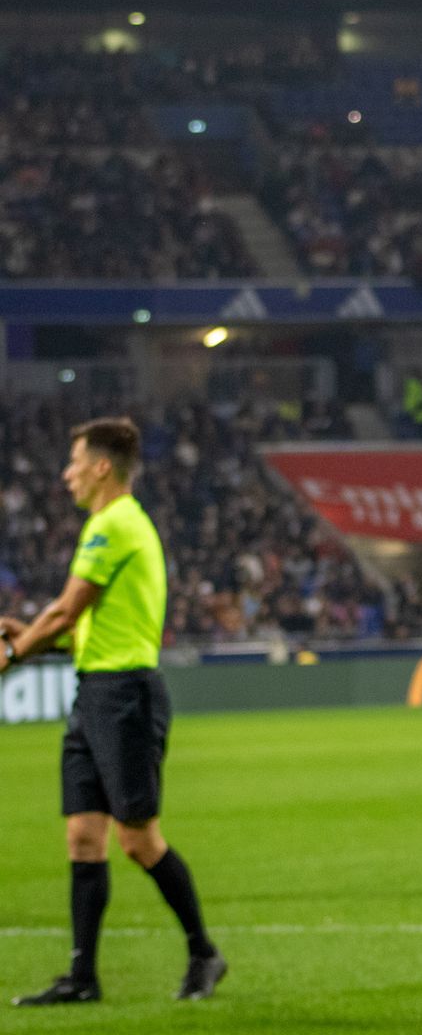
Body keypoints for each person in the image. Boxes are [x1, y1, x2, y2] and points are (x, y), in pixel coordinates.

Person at [1, 418, 226, 1006]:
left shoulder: (115, 524)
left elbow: (66, 610)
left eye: (75, 462)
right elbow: (79, 628)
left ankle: (203, 952)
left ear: (102, 467)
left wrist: (13, 653)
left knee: (139, 840)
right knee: (82, 836)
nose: (66, 474)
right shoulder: (114, 525)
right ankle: (82, 978)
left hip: (125, 695)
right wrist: (29, 641)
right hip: (95, 690)